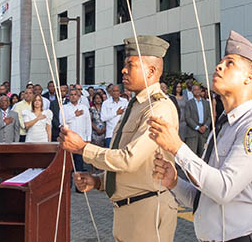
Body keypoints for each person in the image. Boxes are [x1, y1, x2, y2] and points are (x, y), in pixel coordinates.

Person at [150, 30, 252, 242]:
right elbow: (202, 198)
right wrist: (173, 182)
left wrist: (177, 148)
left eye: (230, 63)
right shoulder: (223, 127)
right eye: (221, 62)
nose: (219, 66)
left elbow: (224, 189)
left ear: (249, 78)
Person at [62, 35, 179, 242]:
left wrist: (83, 148)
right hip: (127, 211)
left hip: (148, 210)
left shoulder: (158, 107)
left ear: (151, 71)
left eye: (130, 65)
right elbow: (132, 164)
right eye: (125, 65)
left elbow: (129, 159)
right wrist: (98, 182)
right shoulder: (136, 105)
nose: (123, 70)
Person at [62, 86, 92, 170]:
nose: (73, 96)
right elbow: (62, 122)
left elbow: (88, 124)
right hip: (69, 140)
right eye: (71, 95)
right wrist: (74, 115)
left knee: (79, 165)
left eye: (75, 94)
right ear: (68, 96)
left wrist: (88, 138)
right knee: (69, 165)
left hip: (81, 140)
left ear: (78, 96)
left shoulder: (84, 108)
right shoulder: (64, 108)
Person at [182, 84, 212, 157]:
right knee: (192, 154)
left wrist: (205, 126)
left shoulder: (206, 103)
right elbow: (187, 117)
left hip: (204, 131)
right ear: (192, 92)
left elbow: (210, 116)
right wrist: (197, 127)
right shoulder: (189, 103)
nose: (197, 91)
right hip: (193, 131)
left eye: (198, 89)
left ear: (201, 90)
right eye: (194, 90)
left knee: (204, 153)